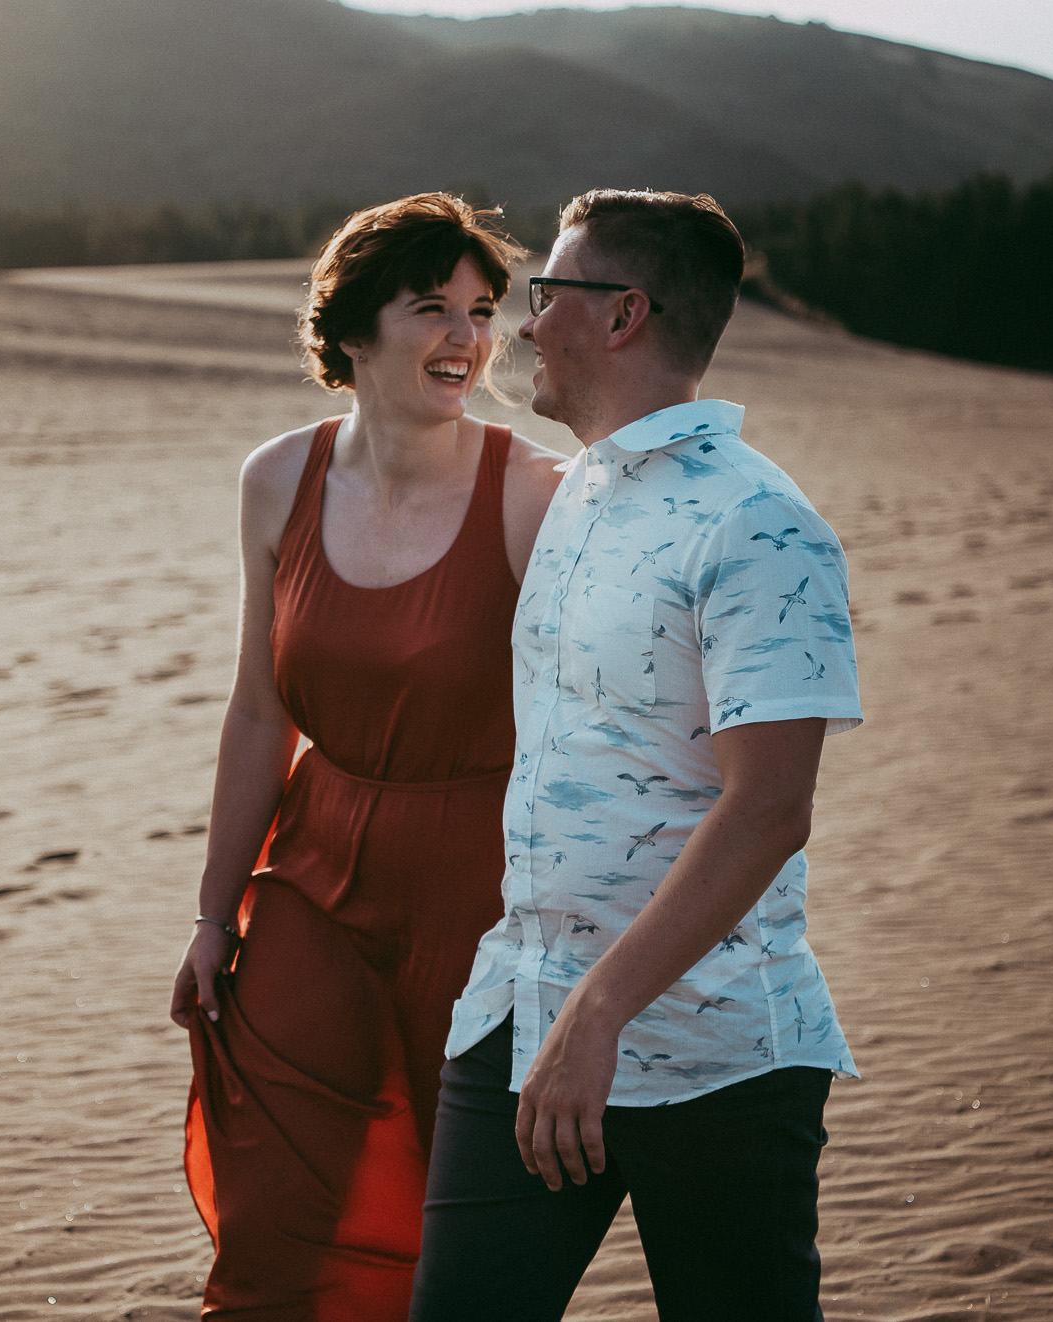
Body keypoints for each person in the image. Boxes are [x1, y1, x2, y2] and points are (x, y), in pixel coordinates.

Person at [409, 189, 864, 1322]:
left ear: (623, 316)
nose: (522, 325)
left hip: (714, 1054)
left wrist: (602, 1015)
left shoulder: (759, 523)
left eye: (544, 294)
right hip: (520, 1016)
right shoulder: (579, 494)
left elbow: (769, 809)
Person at [169, 193, 566, 1319]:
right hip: (312, 870)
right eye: (431, 306)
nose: (469, 338)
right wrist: (212, 914)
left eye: (483, 310)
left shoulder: (535, 494)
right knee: (272, 1209)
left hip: (480, 891)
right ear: (351, 329)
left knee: (461, 1220)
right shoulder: (275, 479)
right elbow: (258, 709)